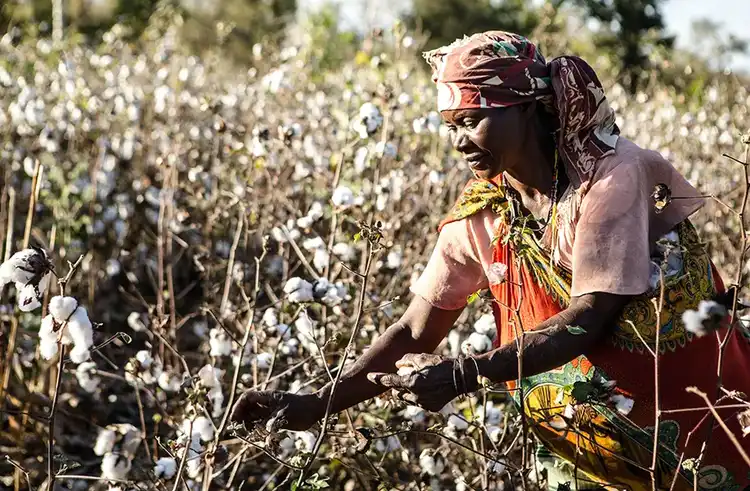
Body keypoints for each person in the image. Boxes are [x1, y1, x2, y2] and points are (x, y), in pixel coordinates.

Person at [231, 31, 750, 490]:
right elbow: (415, 330)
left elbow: (591, 316)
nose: (458, 141)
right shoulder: (486, 210)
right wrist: (312, 404)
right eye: (451, 124)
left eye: (473, 119)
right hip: (591, 453)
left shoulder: (611, 177)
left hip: (696, 424)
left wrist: (464, 374)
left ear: (525, 107)